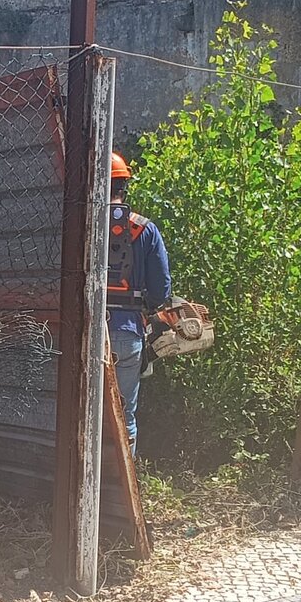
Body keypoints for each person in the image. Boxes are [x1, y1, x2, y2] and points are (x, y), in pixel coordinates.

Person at [107, 153, 172, 455]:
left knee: (81, 409)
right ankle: (119, 492)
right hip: (127, 332)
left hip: (85, 330)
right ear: (124, 186)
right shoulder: (146, 230)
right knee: (123, 416)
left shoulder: (81, 227)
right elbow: (161, 291)